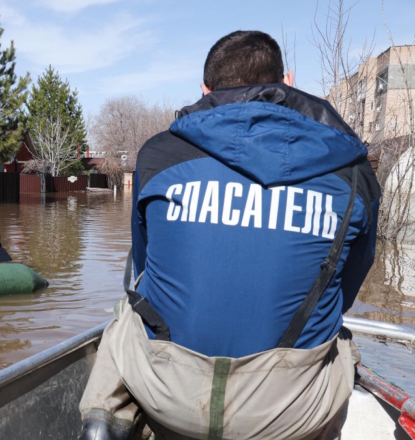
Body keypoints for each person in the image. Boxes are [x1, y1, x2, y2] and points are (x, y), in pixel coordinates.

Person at [79, 31, 380, 439]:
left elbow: (147, 262)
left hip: (170, 397)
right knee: (335, 336)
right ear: (287, 82)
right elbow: (345, 291)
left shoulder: (157, 155)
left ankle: (103, 425)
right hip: (290, 411)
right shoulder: (353, 172)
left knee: (128, 305)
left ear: (204, 91)